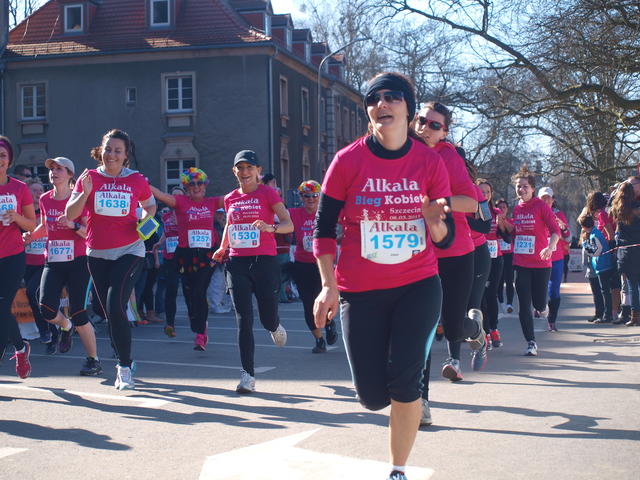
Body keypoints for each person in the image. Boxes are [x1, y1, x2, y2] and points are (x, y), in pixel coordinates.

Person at [313, 73, 455, 480]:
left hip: (417, 285)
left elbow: (445, 238)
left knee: (406, 383)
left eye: (392, 97)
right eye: (373, 99)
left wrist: (434, 221)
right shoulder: (348, 161)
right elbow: (323, 227)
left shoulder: (429, 162)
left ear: (408, 109)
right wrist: (327, 285)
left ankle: (397, 470)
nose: (382, 104)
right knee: (373, 396)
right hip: (361, 290)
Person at [66, 129, 156, 390]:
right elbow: (70, 214)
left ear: (126, 155)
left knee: (115, 305)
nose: (112, 155)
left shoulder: (136, 179)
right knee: (104, 310)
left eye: (118, 150)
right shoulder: (89, 177)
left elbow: (150, 205)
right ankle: (123, 355)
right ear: (101, 151)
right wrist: (84, 193)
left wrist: (145, 220)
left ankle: (124, 368)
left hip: (130, 250)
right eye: (108, 149)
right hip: (97, 253)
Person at [414, 101, 485, 387]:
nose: (425, 128)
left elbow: (471, 203)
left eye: (434, 125)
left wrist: (438, 203)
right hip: (418, 252)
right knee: (422, 320)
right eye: (421, 121)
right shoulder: (403, 150)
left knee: (454, 326)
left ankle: (475, 330)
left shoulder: (448, 156)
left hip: (455, 252)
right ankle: (420, 394)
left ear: (444, 132)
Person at [213, 150, 292, 394]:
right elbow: (230, 224)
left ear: (258, 171)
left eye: (250, 167)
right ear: (234, 171)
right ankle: (247, 375)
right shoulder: (230, 198)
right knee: (243, 319)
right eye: (240, 168)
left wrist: (271, 228)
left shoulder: (268, 193)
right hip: (237, 262)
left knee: (267, 316)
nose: (245, 172)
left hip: (264, 262)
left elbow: (288, 223)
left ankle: (274, 326)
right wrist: (222, 247)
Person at [25, 157, 102, 375]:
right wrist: (30, 236)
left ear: (70, 174)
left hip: (78, 261)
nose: (54, 172)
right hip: (53, 260)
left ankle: (93, 360)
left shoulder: (79, 200)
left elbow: (90, 233)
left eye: (59, 169)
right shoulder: (45, 199)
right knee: (46, 308)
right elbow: (44, 226)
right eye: (52, 169)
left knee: (79, 313)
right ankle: (66, 326)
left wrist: (72, 224)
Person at [150, 168, 222, 350]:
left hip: (206, 256)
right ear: (187, 188)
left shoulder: (212, 202)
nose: (196, 187)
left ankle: (201, 334)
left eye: (199, 183)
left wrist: (253, 183)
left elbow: (236, 197)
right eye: (191, 184)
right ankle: (194, 320)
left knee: (200, 291)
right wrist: (139, 181)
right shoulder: (180, 202)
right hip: (185, 256)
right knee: (190, 293)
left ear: (205, 186)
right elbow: (160, 195)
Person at [511, 167, 561, 356]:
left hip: (541, 262)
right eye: (518, 186)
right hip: (521, 262)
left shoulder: (541, 206)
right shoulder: (516, 209)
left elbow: (556, 231)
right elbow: (515, 233)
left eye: (525, 186)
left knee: (539, 304)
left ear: (532, 189)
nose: (521, 189)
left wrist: (550, 247)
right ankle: (531, 342)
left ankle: (543, 307)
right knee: (524, 305)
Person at [0, 136, 36, 378]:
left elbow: (32, 224)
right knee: (1, 311)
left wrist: (15, 217)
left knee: (2, 307)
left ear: (9, 160)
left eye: (2, 155)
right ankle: (21, 348)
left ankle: (19, 350)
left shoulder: (19, 188)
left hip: (12, 256)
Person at [288, 180, 338, 353]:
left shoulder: (325, 213)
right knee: (308, 304)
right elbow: (275, 215)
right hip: (302, 265)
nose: (311, 199)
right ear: (301, 197)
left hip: (323, 265)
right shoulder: (294, 213)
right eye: (307, 196)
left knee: (325, 299)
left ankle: (329, 323)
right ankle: (319, 339)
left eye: (315, 195)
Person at [23, 179, 58, 353]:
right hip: (27, 264)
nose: (38, 193)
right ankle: (51, 333)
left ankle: (46, 331)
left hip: (45, 263)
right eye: (34, 191)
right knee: (35, 299)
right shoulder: (23, 215)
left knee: (33, 292)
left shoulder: (46, 212)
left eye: (40, 190)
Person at [478, 179, 509, 348]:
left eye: (488, 192)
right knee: (480, 296)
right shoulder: (472, 210)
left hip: (496, 258)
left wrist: (502, 225)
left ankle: (494, 329)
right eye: (481, 192)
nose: (485, 195)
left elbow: (507, 238)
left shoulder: (497, 212)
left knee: (491, 295)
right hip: (478, 258)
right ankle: (484, 332)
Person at [152, 186, 185, 337]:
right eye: (174, 196)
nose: (176, 198)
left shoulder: (187, 213)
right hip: (170, 257)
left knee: (189, 289)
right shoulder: (165, 216)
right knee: (171, 290)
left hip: (185, 257)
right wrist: (159, 242)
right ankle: (170, 323)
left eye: (179, 196)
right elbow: (166, 232)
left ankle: (196, 317)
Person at [538, 187, 571, 331]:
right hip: (539, 258)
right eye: (543, 198)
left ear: (553, 200)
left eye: (548, 198)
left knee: (554, 291)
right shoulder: (534, 213)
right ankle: (538, 306)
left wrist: (563, 227)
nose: (546, 200)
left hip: (556, 258)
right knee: (538, 289)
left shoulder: (559, 215)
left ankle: (552, 321)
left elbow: (568, 237)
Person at [609, 177, 640, 326]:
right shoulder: (637, 208)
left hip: (625, 251)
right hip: (637, 248)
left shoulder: (617, 209)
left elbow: (609, 203)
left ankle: (635, 317)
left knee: (632, 285)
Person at [580, 215, 616, 323]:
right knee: (605, 291)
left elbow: (597, 251)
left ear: (583, 226)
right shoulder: (596, 232)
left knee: (605, 291)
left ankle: (607, 315)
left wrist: (586, 246)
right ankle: (606, 314)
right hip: (604, 265)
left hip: (602, 266)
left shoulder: (594, 235)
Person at [496, 199, 515, 313]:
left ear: (507, 209)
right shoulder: (493, 221)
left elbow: (511, 230)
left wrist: (503, 220)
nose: (502, 209)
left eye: (504, 207)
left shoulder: (510, 220)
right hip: (497, 254)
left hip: (509, 254)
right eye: (500, 207)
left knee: (509, 279)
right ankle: (501, 301)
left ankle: (510, 303)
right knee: (499, 279)